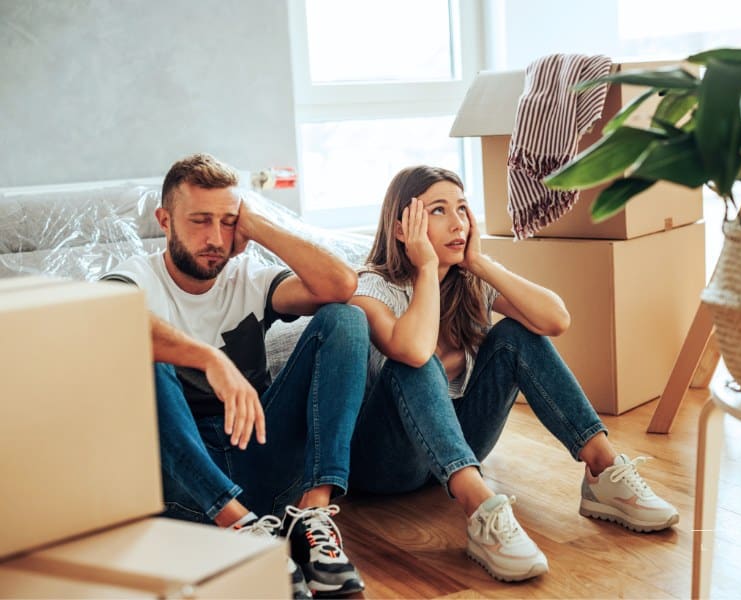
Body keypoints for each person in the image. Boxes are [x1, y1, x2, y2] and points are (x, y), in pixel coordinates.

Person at [347, 165, 679, 583]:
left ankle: (603, 470)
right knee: (416, 360)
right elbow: (413, 349)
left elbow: (556, 319)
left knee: (517, 332)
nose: (458, 223)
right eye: (438, 211)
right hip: (384, 465)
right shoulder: (370, 287)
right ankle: (482, 511)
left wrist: (480, 264)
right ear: (402, 228)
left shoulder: (469, 283)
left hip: (460, 448)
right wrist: (427, 268)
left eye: (462, 209)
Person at [103, 153, 369, 598]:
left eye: (227, 222)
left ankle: (312, 515)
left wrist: (258, 225)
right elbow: (107, 321)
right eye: (200, 221)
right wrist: (211, 358)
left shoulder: (248, 277)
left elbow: (340, 286)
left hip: (257, 454)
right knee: (142, 354)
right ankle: (240, 530)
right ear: (164, 220)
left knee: (347, 320)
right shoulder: (136, 278)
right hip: (182, 477)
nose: (215, 238)